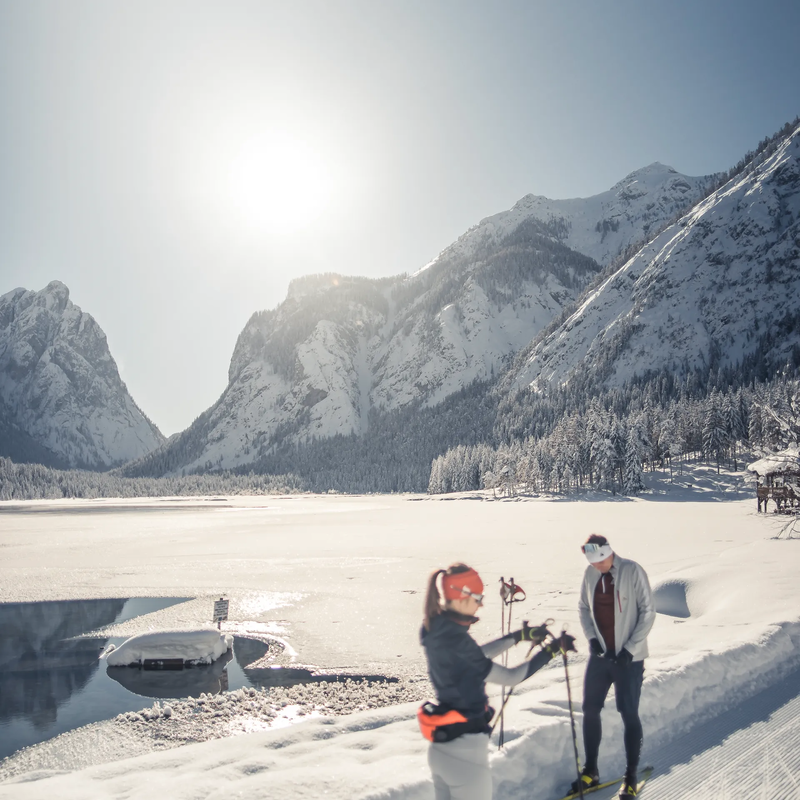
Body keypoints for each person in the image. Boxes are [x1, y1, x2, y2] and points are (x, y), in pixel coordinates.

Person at [420, 562, 576, 800]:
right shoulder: (460, 644)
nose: (481, 604)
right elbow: (511, 677)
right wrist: (551, 651)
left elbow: (474, 656)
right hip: (466, 758)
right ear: (463, 597)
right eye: (478, 597)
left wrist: (518, 637)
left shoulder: (433, 629)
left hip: (440, 750)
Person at [572, 535, 655, 799]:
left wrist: (630, 650)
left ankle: (630, 776)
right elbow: (584, 607)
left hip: (628, 659)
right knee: (590, 708)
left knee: (628, 711)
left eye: (599, 561)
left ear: (609, 553)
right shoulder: (590, 573)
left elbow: (648, 612)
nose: (596, 567)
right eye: (592, 562)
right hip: (601, 657)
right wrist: (592, 638)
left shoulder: (632, 570)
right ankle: (591, 770)